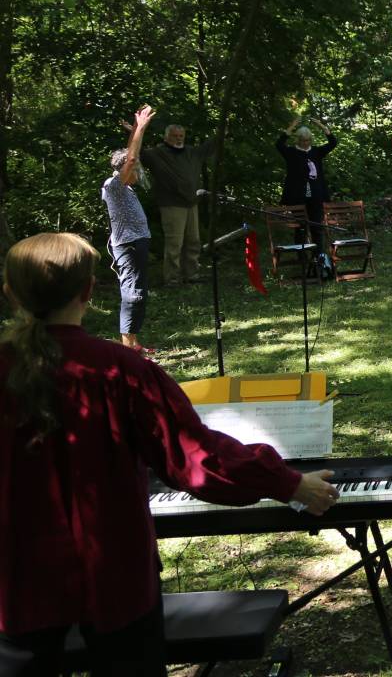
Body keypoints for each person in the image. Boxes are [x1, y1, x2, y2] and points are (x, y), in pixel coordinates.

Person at [0, 232, 339, 673]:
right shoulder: (121, 369)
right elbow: (196, 458)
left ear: (11, 292)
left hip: (16, 581)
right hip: (114, 579)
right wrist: (289, 481)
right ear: (87, 291)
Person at [138, 120, 216, 287]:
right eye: (174, 136)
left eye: (181, 136)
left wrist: (223, 131)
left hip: (191, 203)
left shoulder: (191, 152)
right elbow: (139, 152)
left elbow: (210, 146)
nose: (178, 139)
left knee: (194, 241)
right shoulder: (158, 153)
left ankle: (192, 275)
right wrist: (135, 131)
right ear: (167, 137)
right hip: (172, 204)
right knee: (174, 244)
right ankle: (172, 279)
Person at [102, 106, 154, 351]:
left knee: (139, 292)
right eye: (134, 169)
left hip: (138, 241)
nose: (137, 170)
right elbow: (131, 157)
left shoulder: (124, 186)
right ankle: (126, 346)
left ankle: (134, 342)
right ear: (126, 169)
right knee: (132, 293)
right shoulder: (114, 185)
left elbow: (131, 154)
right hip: (128, 244)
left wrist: (135, 130)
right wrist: (141, 128)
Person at [276, 116, 339, 271]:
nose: (305, 143)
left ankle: (318, 259)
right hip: (298, 198)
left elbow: (333, 142)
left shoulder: (316, 152)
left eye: (308, 140)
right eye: (303, 140)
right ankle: (302, 260)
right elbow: (279, 144)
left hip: (316, 197)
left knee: (317, 227)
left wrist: (321, 126)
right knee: (300, 228)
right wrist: (292, 126)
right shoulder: (291, 153)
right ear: (298, 140)